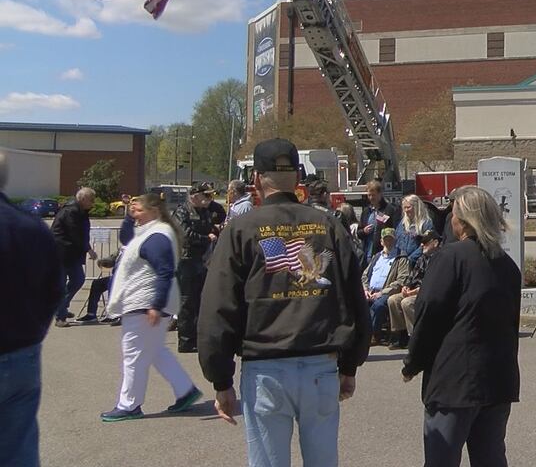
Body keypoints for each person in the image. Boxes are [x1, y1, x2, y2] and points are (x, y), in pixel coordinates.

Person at [199, 138, 369, 467]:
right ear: (298, 178)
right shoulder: (327, 224)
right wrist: (350, 365)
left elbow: (218, 307)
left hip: (266, 368)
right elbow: (354, 298)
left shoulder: (241, 229)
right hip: (320, 365)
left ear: (257, 180)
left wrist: (220, 379)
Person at [402, 186, 521, 467]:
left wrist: (412, 362)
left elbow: (429, 313)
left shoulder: (450, 257)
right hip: (498, 377)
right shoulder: (507, 265)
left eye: (453, 215)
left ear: (464, 221)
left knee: (442, 458)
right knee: (490, 457)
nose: (450, 221)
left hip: (455, 380)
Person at [101, 193, 202, 422]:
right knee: (155, 351)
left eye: (138, 210)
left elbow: (164, 271)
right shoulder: (150, 231)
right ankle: (186, 390)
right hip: (147, 302)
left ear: (154, 211)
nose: (134, 213)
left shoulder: (158, 236)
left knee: (133, 355)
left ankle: (129, 405)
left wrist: (155, 305)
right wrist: (129, 218)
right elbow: (127, 239)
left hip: (145, 303)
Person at [0, 151, 63, 463]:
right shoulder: (31, 227)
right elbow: (55, 288)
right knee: (19, 451)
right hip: (23, 353)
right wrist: (34, 329)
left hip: (23, 346)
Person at [172, 182, 216, 353]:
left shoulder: (205, 212)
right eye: (206, 196)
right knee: (187, 301)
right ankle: (186, 340)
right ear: (195, 196)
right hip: (186, 260)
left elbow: (210, 227)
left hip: (202, 259)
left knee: (200, 300)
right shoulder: (182, 211)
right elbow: (184, 234)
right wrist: (206, 238)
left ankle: (197, 337)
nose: (209, 199)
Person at [51, 186, 98, 327]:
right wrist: (89, 249)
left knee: (77, 280)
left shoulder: (80, 211)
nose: (93, 203)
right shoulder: (71, 211)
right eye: (91, 200)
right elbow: (75, 234)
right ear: (83, 199)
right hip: (62, 253)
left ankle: (61, 307)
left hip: (70, 254)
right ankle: (60, 316)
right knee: (75, 280)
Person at [388, 230, 441, 350]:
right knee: (393, 300)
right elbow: (412, 276)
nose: (422, 244)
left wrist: (414, 292)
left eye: (426, 242)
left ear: (435, 243)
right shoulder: (422, 258)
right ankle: (400, 336)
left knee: (407, 303)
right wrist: (406, 286)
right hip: (414, 290)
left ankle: (416, 337)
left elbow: (432, 283)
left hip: (428, 293)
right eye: (421, 242)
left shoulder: (440, 258)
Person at [361, 228, 408, 345]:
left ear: (395, 240)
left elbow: (402, 279)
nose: (388, 242)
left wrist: (382, 292)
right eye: (385, 240)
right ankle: (359, 333)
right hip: (370, 290)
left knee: (378, 305)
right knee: (355, 302)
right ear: (381, 241)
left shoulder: (401, 257)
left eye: (390, 239)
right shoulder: (376, 257)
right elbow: (365, 275)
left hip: (387, 292)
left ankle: (373, 334)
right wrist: (365, 289)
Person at [357, 180, 399, 269]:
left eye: (374, 195)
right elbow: (359, 233)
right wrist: (364, 231)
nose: (371, 197)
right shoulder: (366, 212)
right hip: (367, 254)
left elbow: (395, 230)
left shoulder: (389, 210)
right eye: (369, 195)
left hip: (383, 253)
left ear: (380, 194)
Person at [76, 254, 118, 323]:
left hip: (128, 280)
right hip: (117, 277)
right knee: (97, 283)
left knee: (112, 282)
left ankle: (113, 314)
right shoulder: (121, 250)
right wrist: (103, 262)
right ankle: (91, 315)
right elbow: (111, 261)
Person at [397, 194, 433, 264]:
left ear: (416, 207)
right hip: (401, 262)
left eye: (408, 207)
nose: (406, 210)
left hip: (417, 262)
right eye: (404, 208)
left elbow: (426, 244)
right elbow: (397, 240)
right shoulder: (402, 223)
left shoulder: (426, 223)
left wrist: (410, 259)